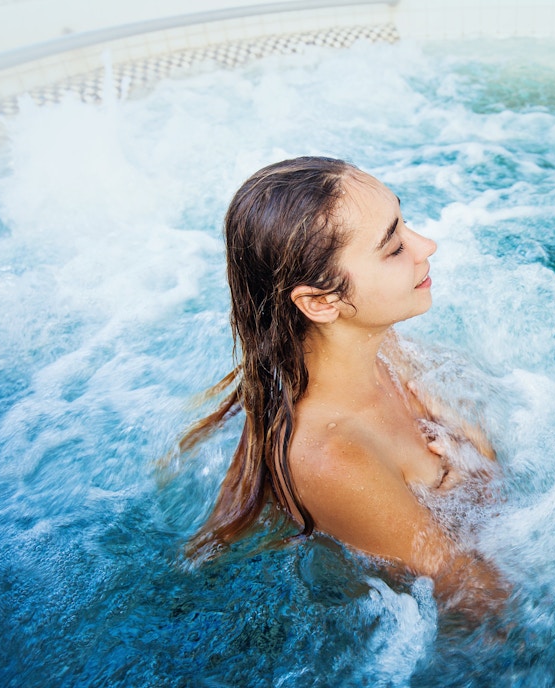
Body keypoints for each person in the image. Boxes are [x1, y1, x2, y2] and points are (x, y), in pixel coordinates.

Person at [178, 156, 505, 616]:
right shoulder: (334, 460)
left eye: (404, 221)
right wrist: (483, 468)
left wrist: (476, 456)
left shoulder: (379, 343)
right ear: (321, 301)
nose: (426, 245)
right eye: (393, 248)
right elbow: (475, 599)